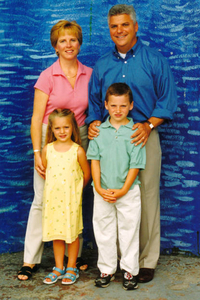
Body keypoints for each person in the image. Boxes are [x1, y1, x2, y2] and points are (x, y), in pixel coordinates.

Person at [86, 4, 177, 283]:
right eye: (114, 26)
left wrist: (149, 125)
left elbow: (167, 99)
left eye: (125, 25)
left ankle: (145, 261)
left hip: (143, 136)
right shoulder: (102, 64)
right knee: (108, 198)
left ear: (135, 26)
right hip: (109, 139)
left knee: (146, 198)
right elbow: (93, 102)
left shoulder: (154, 60)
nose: (120, 30)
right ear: (109, 29)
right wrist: (92, 122)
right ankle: (112, 263)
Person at [18, 20, 92, 281]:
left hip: (80, 138)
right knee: (42, 200)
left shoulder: (90, 74)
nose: (68, 45)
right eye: (63, 41)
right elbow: (37, 118)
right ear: (55, 46)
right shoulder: (47, 76)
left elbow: (95, 111)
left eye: (73, 40)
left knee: (76, 197)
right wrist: (38, 152)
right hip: (50, 139)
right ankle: (31, 259)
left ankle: (75, 257)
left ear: (79, 43)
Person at [87, 83, 146, 290]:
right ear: (105, 105)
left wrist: (123, 190)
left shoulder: (136, 132)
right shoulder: (98, 132)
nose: (118, 110)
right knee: (103, 230)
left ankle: (129, 270)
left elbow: (136, 165)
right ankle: (107, 269)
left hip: (128, 191)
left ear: (131, 105)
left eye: (122, 106)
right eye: (113, 106)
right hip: (102, 191)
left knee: (129, 230)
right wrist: (98, 187)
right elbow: (94, 160)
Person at [42, 109, 90, 285]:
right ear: (52, 130)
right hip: (53, 202)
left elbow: (86, 174)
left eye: (66, 127)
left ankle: (71, 267)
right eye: (58, 128)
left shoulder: (77, 151)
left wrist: (74, 190)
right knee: (57, 235)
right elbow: (46, 172)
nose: (62, 131)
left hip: (71, 202)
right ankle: (58, 266)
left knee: (72, 234)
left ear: (73, 128)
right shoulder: (47, 150)